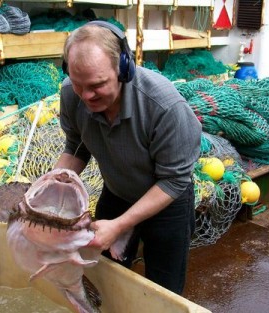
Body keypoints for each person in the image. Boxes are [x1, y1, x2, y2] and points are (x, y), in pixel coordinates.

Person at [54, 20, 201, 295]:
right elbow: (76, 146)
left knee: (163, 291)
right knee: (104, 281)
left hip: (167, 202)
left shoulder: (165, 107)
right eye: (78, 84)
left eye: (97, 85)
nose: (86, 96)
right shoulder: (70, 95)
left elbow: (173, 180)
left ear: (123, 69)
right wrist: (50, 186)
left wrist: (120, 225)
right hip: (118, 192)